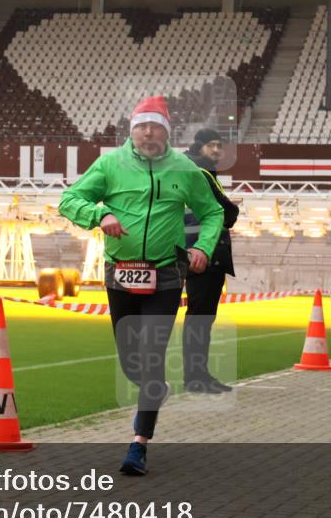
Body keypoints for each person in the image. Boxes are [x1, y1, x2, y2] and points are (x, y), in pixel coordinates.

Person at [59, 96, 224, 476]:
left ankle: (139, 444)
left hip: (165, 274)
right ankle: (156, 389)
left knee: (151, 356)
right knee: (132, 361)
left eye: (155, 127)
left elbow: (213, 211)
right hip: (120, 274)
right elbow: (70, 199)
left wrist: (203, 246)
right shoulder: (110, 164)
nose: (148, 133)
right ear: (132, 130)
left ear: (166, 131)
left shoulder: (185, 169)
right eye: (142, 126)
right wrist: (100, 214)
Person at [182, 129, 240, 394]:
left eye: (219, 145)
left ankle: (197, 375)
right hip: (204, 253)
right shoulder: (202, 172)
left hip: (192, 249)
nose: (217, 150)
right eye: (211, 145)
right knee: (200, 319)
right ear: (200, 146)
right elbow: (227, 211)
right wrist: (232, 210)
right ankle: (196, 377)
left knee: (198, 318)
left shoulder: (189, 168)